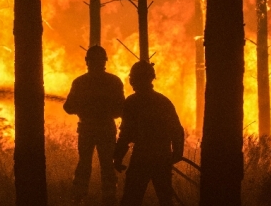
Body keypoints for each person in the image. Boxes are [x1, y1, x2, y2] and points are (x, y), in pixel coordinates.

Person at [113, 61, 184, 206]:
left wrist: (118, 156)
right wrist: (177, 152)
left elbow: (126, 134)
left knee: (131, 199)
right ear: (151, 78)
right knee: (165, 199)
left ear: (133, 79)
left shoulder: (132, 102)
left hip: (142, 157)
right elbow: (177, 129)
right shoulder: (163, 101)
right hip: (162, 155)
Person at [64, 45, 125, 206]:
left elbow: (68, 108)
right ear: (105, 61)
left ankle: (78, 197)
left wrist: (84, 106)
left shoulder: (80, 82)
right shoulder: (114, 81)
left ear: (86, 61)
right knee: (107, 164)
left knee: (84, 163)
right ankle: (109, 198)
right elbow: (119, 110)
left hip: (87, 129)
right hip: (105, 128)